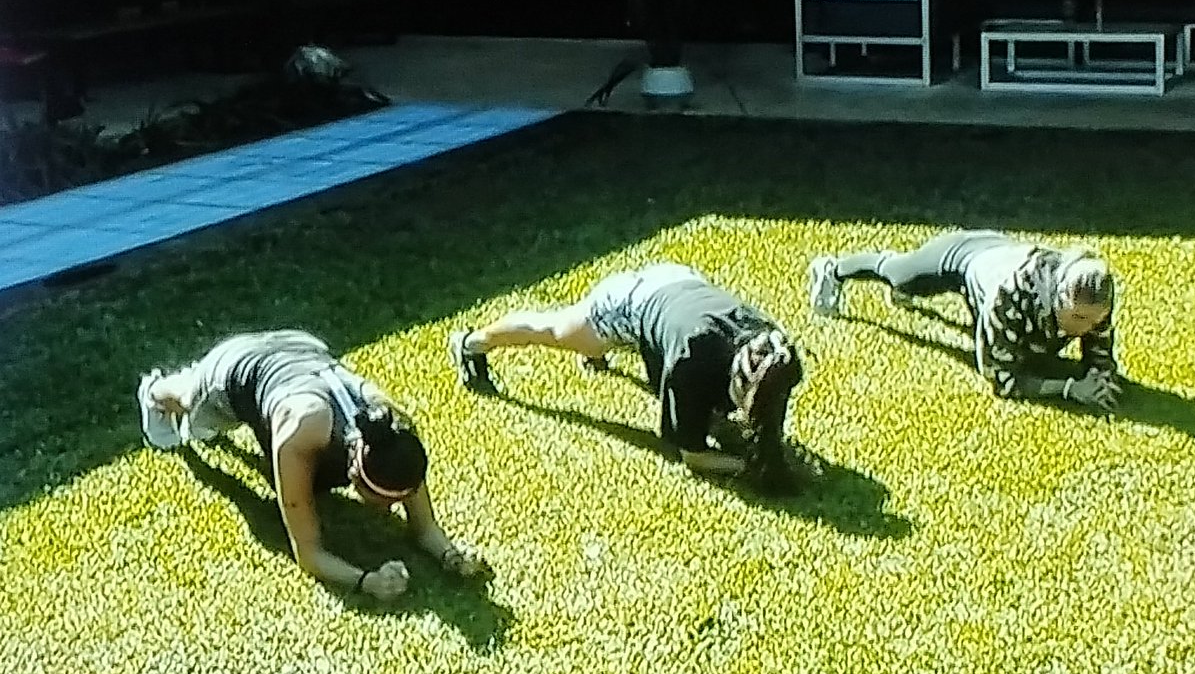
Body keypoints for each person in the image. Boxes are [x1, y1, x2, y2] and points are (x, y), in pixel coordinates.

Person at [135, 329, 489, 601]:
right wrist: (366, 581)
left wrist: (450, 555)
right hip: (234, 367)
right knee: (188, 400)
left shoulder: (395, 434)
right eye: (384, 501)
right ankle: (154, 391)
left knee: (308, 478)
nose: (395, 507)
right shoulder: (298, 434)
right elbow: (308, 551)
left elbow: (425, 528)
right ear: (354, 472)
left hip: (304, 348)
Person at [448, 262, 806, 483]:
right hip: (628, 302)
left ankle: (600, 355)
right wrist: (749, 466)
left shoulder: (773, 348)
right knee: (551, 330)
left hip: (682, 283)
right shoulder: (689, 363)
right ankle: (472, 343)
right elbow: (692, 456)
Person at [807, 229, 1121, 410]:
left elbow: (1100, 351)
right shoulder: (1010, 294)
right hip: (963, 255)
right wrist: (1068, 388)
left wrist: (1100, 377)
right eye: (1078, 318)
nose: (1084, 329)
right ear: (1059, 298)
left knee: (1021, 344)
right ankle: (833, 268)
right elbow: (1002, 379)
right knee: (899, 275)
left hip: (997, 260)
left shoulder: (1095, 295)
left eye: (1094, 321)